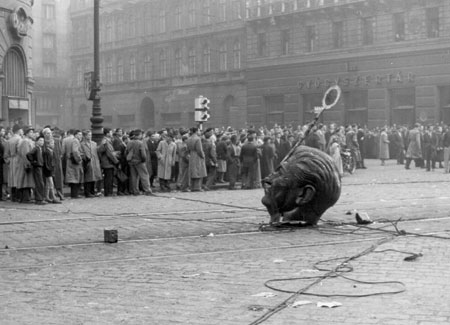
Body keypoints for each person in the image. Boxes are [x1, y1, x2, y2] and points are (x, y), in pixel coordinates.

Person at [125, 130, 153, 196]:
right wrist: (143, 160)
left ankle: (135, 191)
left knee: (134, 177)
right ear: (139, 135)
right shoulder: (140, 143)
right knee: (144, 176)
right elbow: (143, 154)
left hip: (131, 162)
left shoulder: (129, 143)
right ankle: (147, 190)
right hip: (139, 162)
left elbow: (126, 152)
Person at [80, 130, 102, 197]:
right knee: (88, 178)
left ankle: (92, 191)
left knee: (94, 177)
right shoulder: (82, 144)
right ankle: (87, 192)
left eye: (90, 135)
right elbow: (81, 153)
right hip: (88, 162)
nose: (90, 136)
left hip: (95, 162)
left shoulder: (94, 143)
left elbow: (97, 151)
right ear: (85, 136)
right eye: (88, 135)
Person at [4, 124, 23, 202]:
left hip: (11, 160)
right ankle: (18, 196)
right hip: (18, 159)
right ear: (18, 131)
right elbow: (21, 151)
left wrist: (8, 161)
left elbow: (5, 154)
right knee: (18, 177)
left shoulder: (9, 140)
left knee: (12, 178)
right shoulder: (20, 139)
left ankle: (13, 196)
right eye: (21, 130)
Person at [98, 127, 119, 196]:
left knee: (110, 178)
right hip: (108, 162)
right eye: (110, 132)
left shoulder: (108, 141)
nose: (112, 133)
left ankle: (109, 192)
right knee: (108, 178)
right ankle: (108, 192)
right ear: (107, 133)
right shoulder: (106, 141)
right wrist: (116, 161)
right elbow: (109, 153)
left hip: (108, 162)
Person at [17, 126, 35, 203]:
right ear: (27, 133)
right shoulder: (25, 141)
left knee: (27, 180)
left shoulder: (28, 141)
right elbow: (25, 154)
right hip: (26, 164)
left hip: (27, 163)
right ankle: (25, 198)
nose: (32, 133)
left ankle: (26, 197)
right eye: (30, 132)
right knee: (25, 181)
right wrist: (28, 164)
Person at [26, 135, 46, 205]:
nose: (42, 142)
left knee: (40, 183)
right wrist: (33, 162)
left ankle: (40, 198)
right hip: (37, 167)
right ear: (37, 141)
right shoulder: (36, 148)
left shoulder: (40, 149)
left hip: (40, 167)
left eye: (43, 141)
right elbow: (29, 154)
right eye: (40, 140)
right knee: (39, 183)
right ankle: (39, 199)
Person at [65, 130, 84, 198]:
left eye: (81, 135)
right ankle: (74, 194)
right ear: (75, 135)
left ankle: (74, 194)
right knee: (75, 178)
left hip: (72, 161)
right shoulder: (75, 141)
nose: (80, 136)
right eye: (79, 134)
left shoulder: (73, 140)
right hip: (74, 162)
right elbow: (75, 151)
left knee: (74, 178)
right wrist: (79, 159)